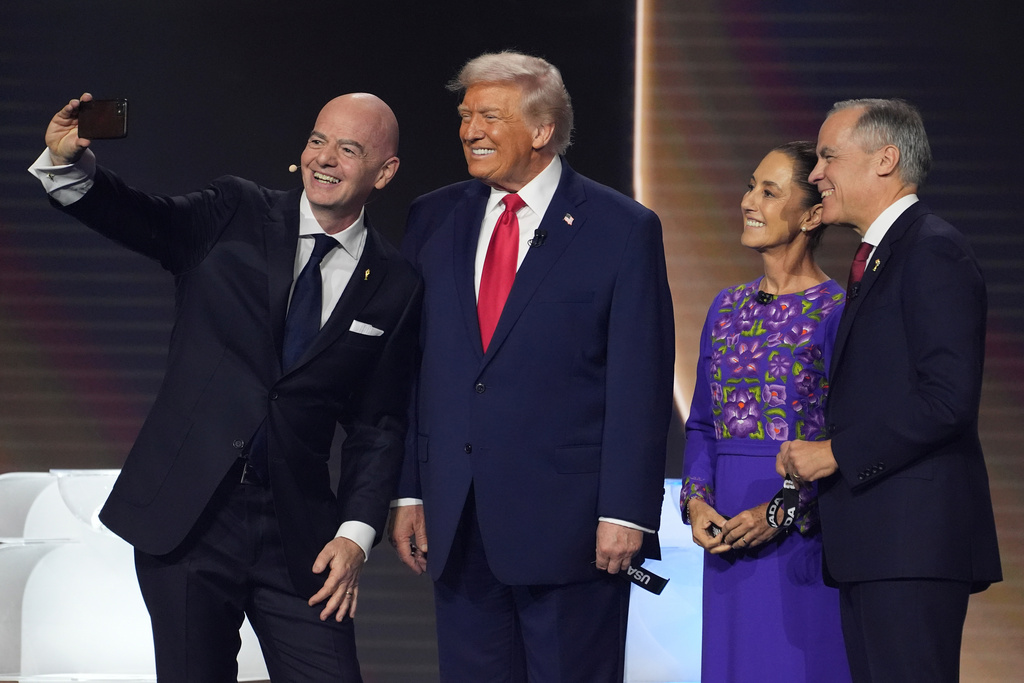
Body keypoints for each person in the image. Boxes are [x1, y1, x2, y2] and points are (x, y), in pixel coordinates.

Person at [29, 92, 422, 681]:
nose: (324, 159)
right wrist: (69, 165)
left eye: (348, 149)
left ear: (384, 172)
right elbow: (141, 217)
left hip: (300, 535)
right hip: (189, 522)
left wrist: (356, 535)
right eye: (317, 140)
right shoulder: (236, 211)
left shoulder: (394, 282)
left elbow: (378, 424)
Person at [388, 51, 675, 682]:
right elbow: (413, 368)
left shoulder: (621, 228)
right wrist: (411, 489)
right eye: (465, 115)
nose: (470, 130)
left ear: (543, 129)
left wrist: (625, 511)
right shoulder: (433, 217)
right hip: (458, 520)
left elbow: (641, 383)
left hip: (573, 529)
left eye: (489, 116)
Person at [776, 98, 1001, 682]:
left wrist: (836, 453)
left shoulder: (932, 249)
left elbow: (947, 399)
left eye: (828, 156)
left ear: (885, 160)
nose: (816, 174)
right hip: (878, 543)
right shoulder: (882, 256)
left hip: (911, 544)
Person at [681, 141, 849, 682]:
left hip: (803, 538)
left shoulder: (838, 312)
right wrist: (696, 502)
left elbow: (848, 439)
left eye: (769, 192)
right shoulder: (725, 307)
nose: (748, 200)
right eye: (751, 186)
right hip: (727, 534)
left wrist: (780, 512)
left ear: (812, 215)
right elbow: (703, 423)